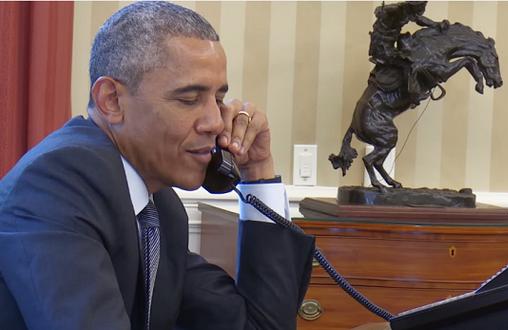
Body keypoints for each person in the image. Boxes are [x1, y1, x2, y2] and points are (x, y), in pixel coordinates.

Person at [0, 2, 314, 330]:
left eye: (218, 100)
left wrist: (258, 171)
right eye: (189, 99)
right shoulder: (56, 185)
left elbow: (261, 327)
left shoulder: (160, 208)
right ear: (112, 100)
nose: (214, 122)